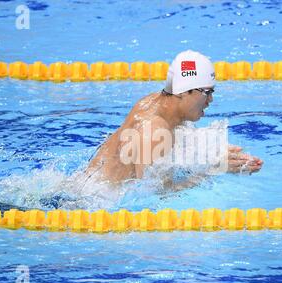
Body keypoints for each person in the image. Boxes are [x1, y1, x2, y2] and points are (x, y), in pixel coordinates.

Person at [85, 50, 263, 184]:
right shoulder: (154, 129)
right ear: (183, 92)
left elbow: (176, 145)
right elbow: (155, 195)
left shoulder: (156, 103)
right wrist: (216, 168)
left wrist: (213, 151)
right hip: (95, 207)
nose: (210, 100)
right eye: (206, 92)